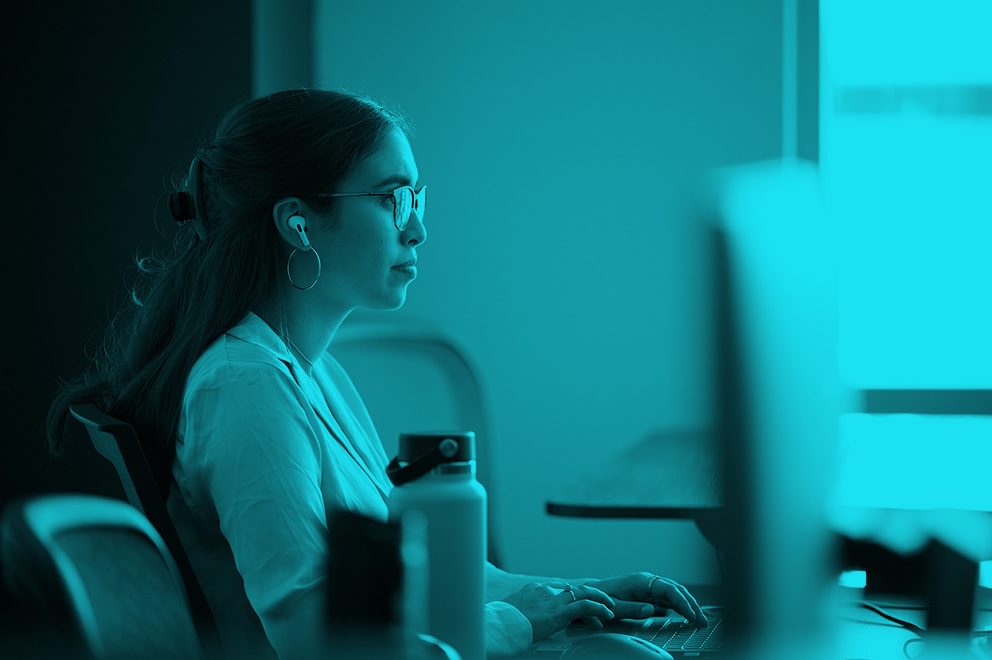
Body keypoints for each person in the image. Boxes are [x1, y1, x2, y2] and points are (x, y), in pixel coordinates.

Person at [47, 88, 706, 659]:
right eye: (391, 199)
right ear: (298, 223)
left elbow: (417, 580)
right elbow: (317, 636)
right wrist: (516, 623)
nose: (416, 228)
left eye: (417, 196)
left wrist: (569, 596)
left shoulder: (311, 371)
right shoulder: (244, 386)